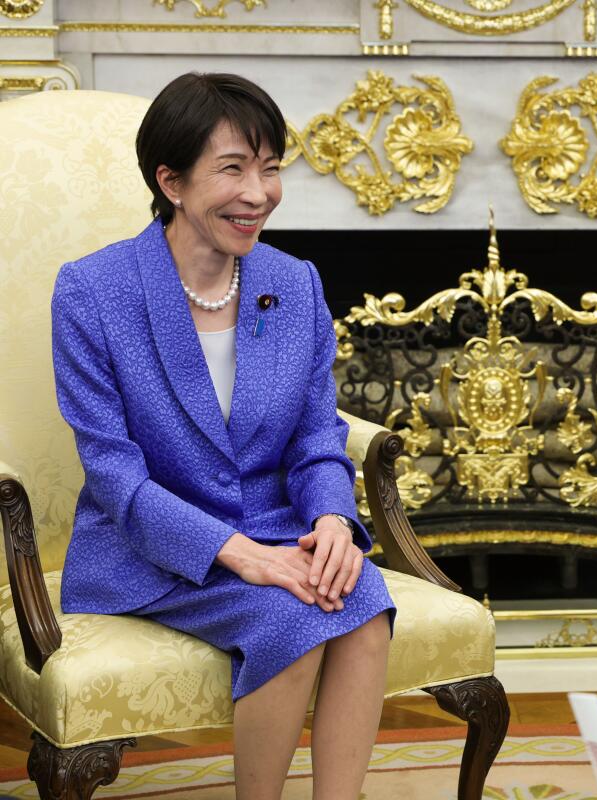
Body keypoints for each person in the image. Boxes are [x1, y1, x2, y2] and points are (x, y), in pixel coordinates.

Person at [51, 72, 395, 799]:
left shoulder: (294, 282)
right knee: (293, 616)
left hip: (277, 527)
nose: (258, 193)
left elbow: (316, 438)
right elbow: (114, 475)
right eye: (233, 169)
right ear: (171, 182)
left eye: (270, 168)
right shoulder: (93, 292)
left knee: (364, 603)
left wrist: (333, 521)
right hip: (149, 549)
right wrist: (242, 555)